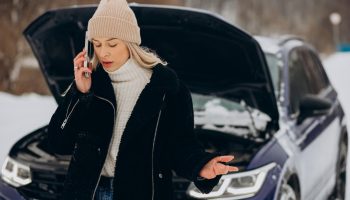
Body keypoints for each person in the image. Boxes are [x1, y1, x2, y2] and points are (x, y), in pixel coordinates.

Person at [47, 0, 239, 199]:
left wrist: (201, 166)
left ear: (130, 42)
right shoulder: (90, 83)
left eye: (112, 43)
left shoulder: (166, 87)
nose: (103, 52)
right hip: (86, 194)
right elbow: (57, 143)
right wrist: (79, 93)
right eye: (97, 43)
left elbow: (181, 146)